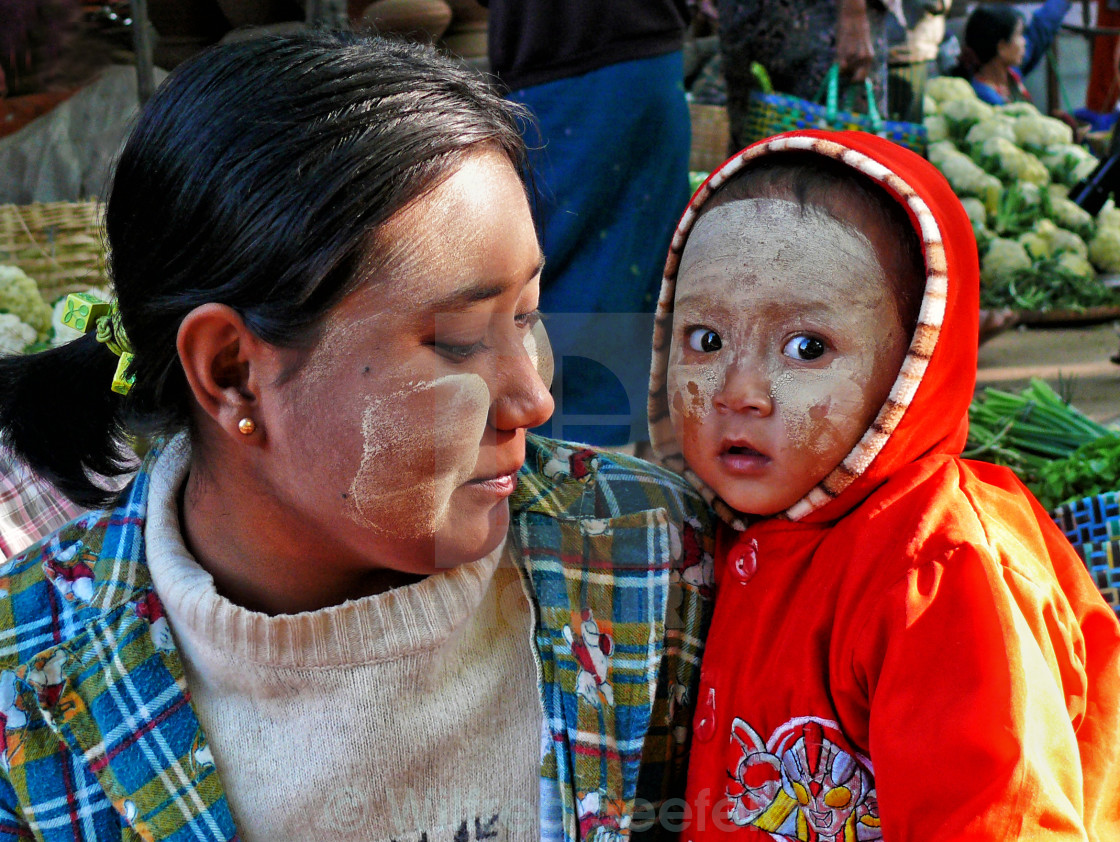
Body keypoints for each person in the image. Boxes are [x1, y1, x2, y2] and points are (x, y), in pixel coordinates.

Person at [0, 32, 714, 841]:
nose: (535, 397)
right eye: (459, 339)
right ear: (233, 371)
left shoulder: (658, 567)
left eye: (527, 315)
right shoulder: (30, 680)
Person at [647, 130, 1120, 838]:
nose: (738, 389)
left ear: (912, 365)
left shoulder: (943, 573)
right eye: (706, 340)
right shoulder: (717, 537)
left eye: (807, 348)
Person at [478, 0, 692, 446]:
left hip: (573, 56)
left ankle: (584, 460)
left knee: (587, 267)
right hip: (620, 58)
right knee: (588, 265)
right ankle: (592, 455)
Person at [717, 0, 892, 151]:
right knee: (751, 142)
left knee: (842, 145)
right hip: (750, 15)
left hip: (824, 15)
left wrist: (853, 13)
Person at [954, 0, 1072, 106]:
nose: (1024, 42)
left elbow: (1041, 29)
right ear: (1001, 47)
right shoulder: (984, 99)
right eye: (1019, 35)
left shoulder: (1010, 75)